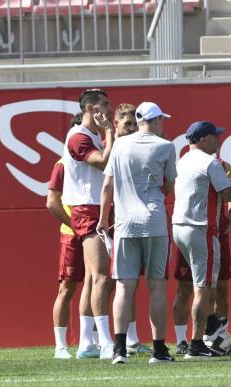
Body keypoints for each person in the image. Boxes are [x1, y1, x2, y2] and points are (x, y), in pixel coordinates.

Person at [173, 121, 231, 358]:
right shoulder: (210, 162)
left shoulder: (183, 160)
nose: (218, 140)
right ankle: (196, 344)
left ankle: (198, 336)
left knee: (194, 287)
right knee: (203, 288)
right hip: (201, 228)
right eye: (214, 137)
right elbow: (230, 194)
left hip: (180, 227)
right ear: (203, 140)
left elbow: (203, 188)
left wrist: (227, 185)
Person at [98, 101, 177, 364]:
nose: (162, 124)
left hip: (125, 224)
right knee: (157, 287)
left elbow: (107, 185)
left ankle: (119, 350)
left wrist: (101, 219)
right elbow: (168, 187)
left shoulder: (119, 145)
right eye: (161, 120)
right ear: (153, 121)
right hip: (154, 223)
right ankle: (159, 350)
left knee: (124, 286)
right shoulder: (166, 146)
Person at [62, 88, 115, 359]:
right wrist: (111, 133)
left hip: (96, 207)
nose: (109, 109)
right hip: (87, 208)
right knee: (102, 275)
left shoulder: (92, 135)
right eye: (105, 104)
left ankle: (86, 343)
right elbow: (104, 161)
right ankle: (105, 341)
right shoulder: (79, 136)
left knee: (95, 277)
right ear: (91, 109)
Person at [172, 159, 231, 355]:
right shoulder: (188, 165)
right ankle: (182, 341)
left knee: (219, 288)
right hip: (196, 229)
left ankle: (217, 339)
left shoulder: (222, 165)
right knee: (185, 288)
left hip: (216, 232)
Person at [48, 113, 94, 359]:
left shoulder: (94, 160)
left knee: (96, 284)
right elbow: (52, 202)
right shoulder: (63, 163)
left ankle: (92, 341)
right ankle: (61, 346)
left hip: (92, 230)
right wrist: (75, 226)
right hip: (72, 234)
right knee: (67, 288)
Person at [108, 103, 152, 355]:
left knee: (129, 282)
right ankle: (103, 338)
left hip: (132, 220)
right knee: (109, 282)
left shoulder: (138, 146)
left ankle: (131, 338)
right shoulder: (115, 148)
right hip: (116, 222)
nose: (133, 128)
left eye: (135, 123)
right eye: (128, 124)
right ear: (116, 125)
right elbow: (106, 187)